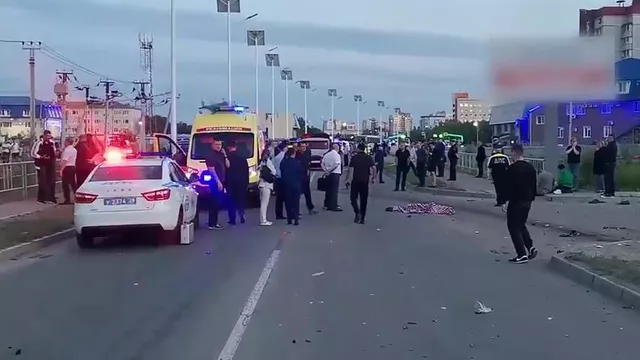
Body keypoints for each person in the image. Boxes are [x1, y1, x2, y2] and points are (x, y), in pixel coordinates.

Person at [504, 143, 538, 264]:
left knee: (513, 226)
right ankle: (530, 247)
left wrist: (504, 201)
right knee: (521, 224)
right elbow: (535, 185)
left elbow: (508, 186)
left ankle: (521, 254)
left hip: (516, 200)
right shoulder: (531, 167)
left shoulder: (512, 168)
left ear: (514, 152)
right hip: (528, 200)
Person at [344, 143, 375, 224]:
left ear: (358, 149)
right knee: (363, 200)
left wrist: (348, 180)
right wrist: (373, 178)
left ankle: (357, 212)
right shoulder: (368, 157)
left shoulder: (354, 158)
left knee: (353, 198)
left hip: (356, 180)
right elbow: (374, 167)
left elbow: (350, 170)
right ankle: (362, 219)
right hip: (365, 181)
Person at [204, 139, 229, 230]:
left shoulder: (221, 155)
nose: (219, 146)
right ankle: (211, 223)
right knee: (214, 202)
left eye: (220, 144)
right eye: (217, 144)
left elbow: (228, 165)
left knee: (217, 203)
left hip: (221, 181)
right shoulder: (210, 155)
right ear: (212, 145)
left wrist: (225, 155)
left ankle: (215, 222)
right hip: (215, 182)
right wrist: (218, 182)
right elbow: (211, 170)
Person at [225, 141, 249, 225]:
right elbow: (246, 171)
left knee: (231, 200)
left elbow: (225, 170)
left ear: (228, 148)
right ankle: (242, 213)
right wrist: (246, 182)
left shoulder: (227, 158)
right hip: (241, 181)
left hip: (230, 182)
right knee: (240, 199)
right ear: (236, 147)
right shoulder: (242, 158)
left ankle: (232, 219)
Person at [31, 130, 57, 204]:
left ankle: (50, 197)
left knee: (51, 181)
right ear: (44, 135)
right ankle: (41, 198)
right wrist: (41, 157)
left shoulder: (52, 143)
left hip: (50, 164)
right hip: (42, 164)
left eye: (49, 136)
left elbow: (54, 151)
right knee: (43, 181)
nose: (48, 137)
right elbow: (33, 153)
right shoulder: (39, 143)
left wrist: (56, 153)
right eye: (47, 136)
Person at [280, 148, 301, 225]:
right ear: (293, 154)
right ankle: (296, 218)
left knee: (288, 202)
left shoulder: (283, 162)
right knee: (296, 202)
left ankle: (289, 219)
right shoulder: (297, 162)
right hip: (295, 184)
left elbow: (282, 172)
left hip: (286, 184)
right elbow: (299, 173)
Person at [296, 142, 317, 215]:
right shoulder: (297, 155)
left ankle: (310, 208)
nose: (304, 148)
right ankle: (297, 211)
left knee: (307, 193)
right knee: (297, 195)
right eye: (302, 146)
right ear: (299, 147)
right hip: (298, 177)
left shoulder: (307, 153)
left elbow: (309, 163)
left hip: (306, 177)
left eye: (305, 147)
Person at [320, 143, 343, 211]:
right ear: (336, 148)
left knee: (328, 190)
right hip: (335, 174)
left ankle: (326, 204)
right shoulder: (337, 155)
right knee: (334, 190)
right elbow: (336, 164)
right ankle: (333, 205)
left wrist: (326, 170)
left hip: (328, 174)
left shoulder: (326, 155)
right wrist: (330, 170)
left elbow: (322, 163)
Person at [258, 149, 276, 226]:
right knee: (264, 204)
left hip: (261, 184)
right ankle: (263, 220)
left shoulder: (261, 163)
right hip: (267, 185)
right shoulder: (268, 162)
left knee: (262, 203)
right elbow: (274, 172)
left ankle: (263, 219)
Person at [60, 138, 78, 204]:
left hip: (67, 167)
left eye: (65, 142)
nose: (64, 143)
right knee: (73, 184)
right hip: (73, 166)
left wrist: (61, 170)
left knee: (65, 184)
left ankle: (67, 199)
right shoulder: (74, 150)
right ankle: (77, 197)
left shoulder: (67, 150)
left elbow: (65, 160)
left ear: (67, 142)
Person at [273, 143, 287, 219]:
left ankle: (278, 214)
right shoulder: (285, 156)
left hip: (278, 179)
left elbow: (274, 167)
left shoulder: (276, 157)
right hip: (285, 178)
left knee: (279, 199)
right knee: (288, 197)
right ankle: (291, 214)